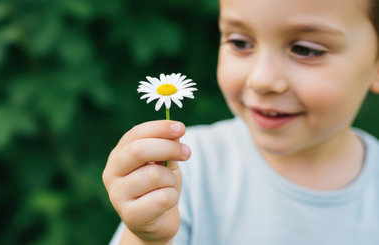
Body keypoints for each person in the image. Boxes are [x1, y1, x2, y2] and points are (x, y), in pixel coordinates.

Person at [102, 0, 379, 244]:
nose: (261, 79)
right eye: (240, 43)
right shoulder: (182, 168)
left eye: (305, 50)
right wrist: (147, 239)